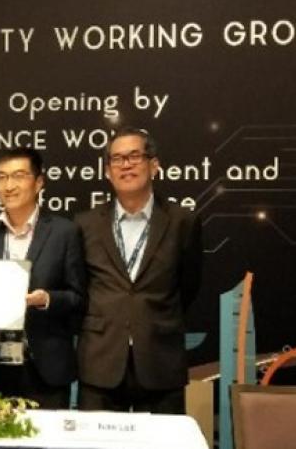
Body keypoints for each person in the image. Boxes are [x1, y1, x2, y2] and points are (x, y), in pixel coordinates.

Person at [75, 126, 202, 414]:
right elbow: (81, 286)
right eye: (117, 159)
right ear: (107, 172)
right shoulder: (85, 224)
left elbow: (189, 285)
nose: (126, 165)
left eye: (134, 156)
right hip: (100, 361)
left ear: (153, 165)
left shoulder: (182, 222)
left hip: (160, 359)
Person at [0, 147, 86, 409]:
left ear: (39, 182)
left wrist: (46, 299)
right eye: (1, 177)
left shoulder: (64, 232)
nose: (9, 186)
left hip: (45, 367)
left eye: (19, 176)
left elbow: (79, 297)